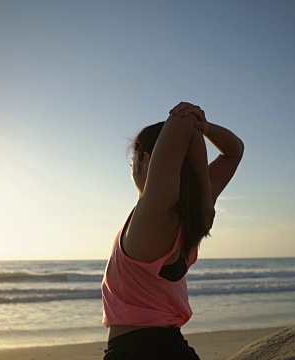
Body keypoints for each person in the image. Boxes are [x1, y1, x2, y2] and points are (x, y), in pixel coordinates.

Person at [101, 101, 244, 359]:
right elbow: (234, 151)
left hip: (134, 353)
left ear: (146, 161)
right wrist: (204, 190)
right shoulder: (189, 212)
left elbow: (182, 122)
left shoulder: (154, 214)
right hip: (174, 348)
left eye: (132, 162)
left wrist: (193, 120)